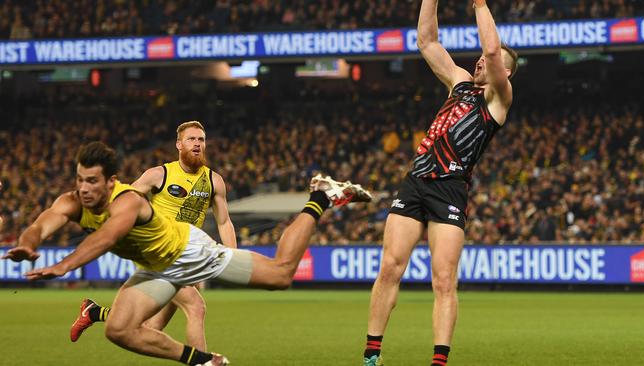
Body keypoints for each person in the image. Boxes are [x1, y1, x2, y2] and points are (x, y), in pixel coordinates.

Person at [3, 141, 371, 366]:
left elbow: (104, 240)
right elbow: (42, 222)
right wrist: (29, 243)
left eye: (92, 181)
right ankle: (204, 361)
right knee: (119, 330)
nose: (83, 189)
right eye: (80, 179)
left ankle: (321, 195)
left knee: (281, 275)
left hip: (188, 252)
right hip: (155, 268)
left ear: (111, 181)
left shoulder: (127, 201)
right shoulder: (71, 200)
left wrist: (64, 265)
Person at [364, 1, 517, 365]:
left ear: (506, 74)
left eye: (488, 61)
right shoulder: (461, 83)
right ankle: (371, 354)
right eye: (477, 58)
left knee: (444, 280)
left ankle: (439, 361)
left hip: (450, 188)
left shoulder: (499, 98)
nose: (481, 60)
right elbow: (427, 41)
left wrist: (480, 5)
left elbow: (494, 49)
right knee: (389, 268)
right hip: (416, 181)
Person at [70, 121, 237, 353]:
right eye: (191, 139)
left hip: (188, 254)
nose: (197, 144)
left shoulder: (214, 180)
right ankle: (204, 361)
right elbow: (124, 200)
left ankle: (95, 312)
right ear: (179, 144)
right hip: (160, 252)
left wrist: (232, 257)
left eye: (201, 139)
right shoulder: (160, 174)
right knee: (196, 307)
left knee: (149, 326)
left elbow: (224, 222)